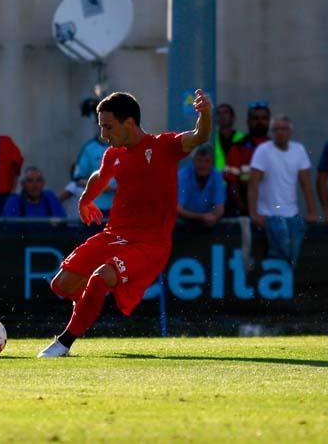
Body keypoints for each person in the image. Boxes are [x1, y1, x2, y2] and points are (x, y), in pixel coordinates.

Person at [37, 89, 212, 358]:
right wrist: (85, 200)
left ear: (128, 123)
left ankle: (64, 343)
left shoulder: (163, 146)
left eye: (108, 127)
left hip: (150, 244)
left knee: (101, 278)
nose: (104, 135)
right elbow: (99, 176)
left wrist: (206, 114)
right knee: (61, 284)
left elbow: (199, 136)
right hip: (113, 236)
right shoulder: (113, 154)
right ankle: (91, 304)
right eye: (101, 127)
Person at [248, 115, 318, 269]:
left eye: (284, 129)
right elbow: (253, 183)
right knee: (279, 255)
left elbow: (306, 183)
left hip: (292, 215)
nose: (280, 132)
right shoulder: (263, 150)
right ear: (272, 131)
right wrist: (254, 213)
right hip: (269, 215)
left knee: (292, 255)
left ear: (290, 131)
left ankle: (282, 287)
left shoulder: (298, 150)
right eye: (277, 129)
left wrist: (312, 211)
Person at [223, 101, 270, 216]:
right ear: (248, 122)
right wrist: (243, 208)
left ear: (269, 121)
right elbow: (232, 183)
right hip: (245, 205)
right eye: (255, 118)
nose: (260, 122)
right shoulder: (238, 147)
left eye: (264, 118)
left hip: (271, 206)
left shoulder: (275, 147)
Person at [72, 120, 115, 217]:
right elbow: (79, 179)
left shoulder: (124, 147)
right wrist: (99, 185)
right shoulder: (88, 148)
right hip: (94, 208)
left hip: (119, 207)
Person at [176, 145, 226, 228]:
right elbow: (178, 209)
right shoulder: (182, 175)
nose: (203, 165)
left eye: (207, 161)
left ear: (212, 163)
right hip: (184, 223)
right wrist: (201, 217)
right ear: (193, 161)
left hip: (209, 224)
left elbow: (220, 208)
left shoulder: (217, 176)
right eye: (199, 161)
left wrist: (214, 217)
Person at [1, 166, 66, 218]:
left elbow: (62, 224)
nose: (35, 185)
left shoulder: (51, 199)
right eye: (30, 181)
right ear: (22, 184)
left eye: (38, 180)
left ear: (43, 183)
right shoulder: (14, 202)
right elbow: (10, 230)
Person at [213, 103, 246, 172]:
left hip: (237, 181)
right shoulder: (212, 140)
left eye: (225, 112)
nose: (222, 116)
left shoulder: (243, 138)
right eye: (219, 113)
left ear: (233, 117)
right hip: (217, 181)